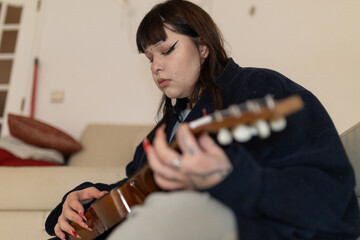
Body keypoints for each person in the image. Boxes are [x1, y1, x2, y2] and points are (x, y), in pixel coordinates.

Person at [45, 0, 360, 239]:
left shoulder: (264, 91)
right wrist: (79, 200)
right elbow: (133, 191)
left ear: (203, 46)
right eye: (149, 58)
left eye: (166, 50)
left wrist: (231, 178)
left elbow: (330, 197)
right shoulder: (163, 133)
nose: (155, 66)